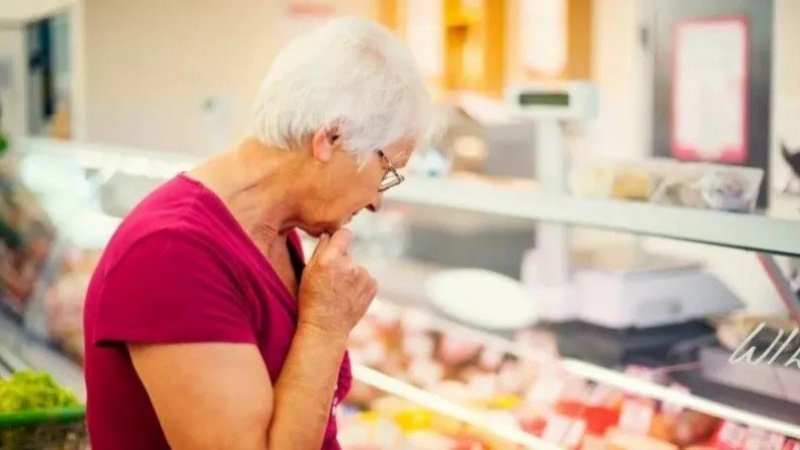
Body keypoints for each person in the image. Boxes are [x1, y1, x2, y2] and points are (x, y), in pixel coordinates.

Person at [83, 17, 432, 450]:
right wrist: (325, 326)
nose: (378, 200)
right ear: (331, 138)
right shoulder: (172, 252)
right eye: (387, 168)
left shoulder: (277, 231)